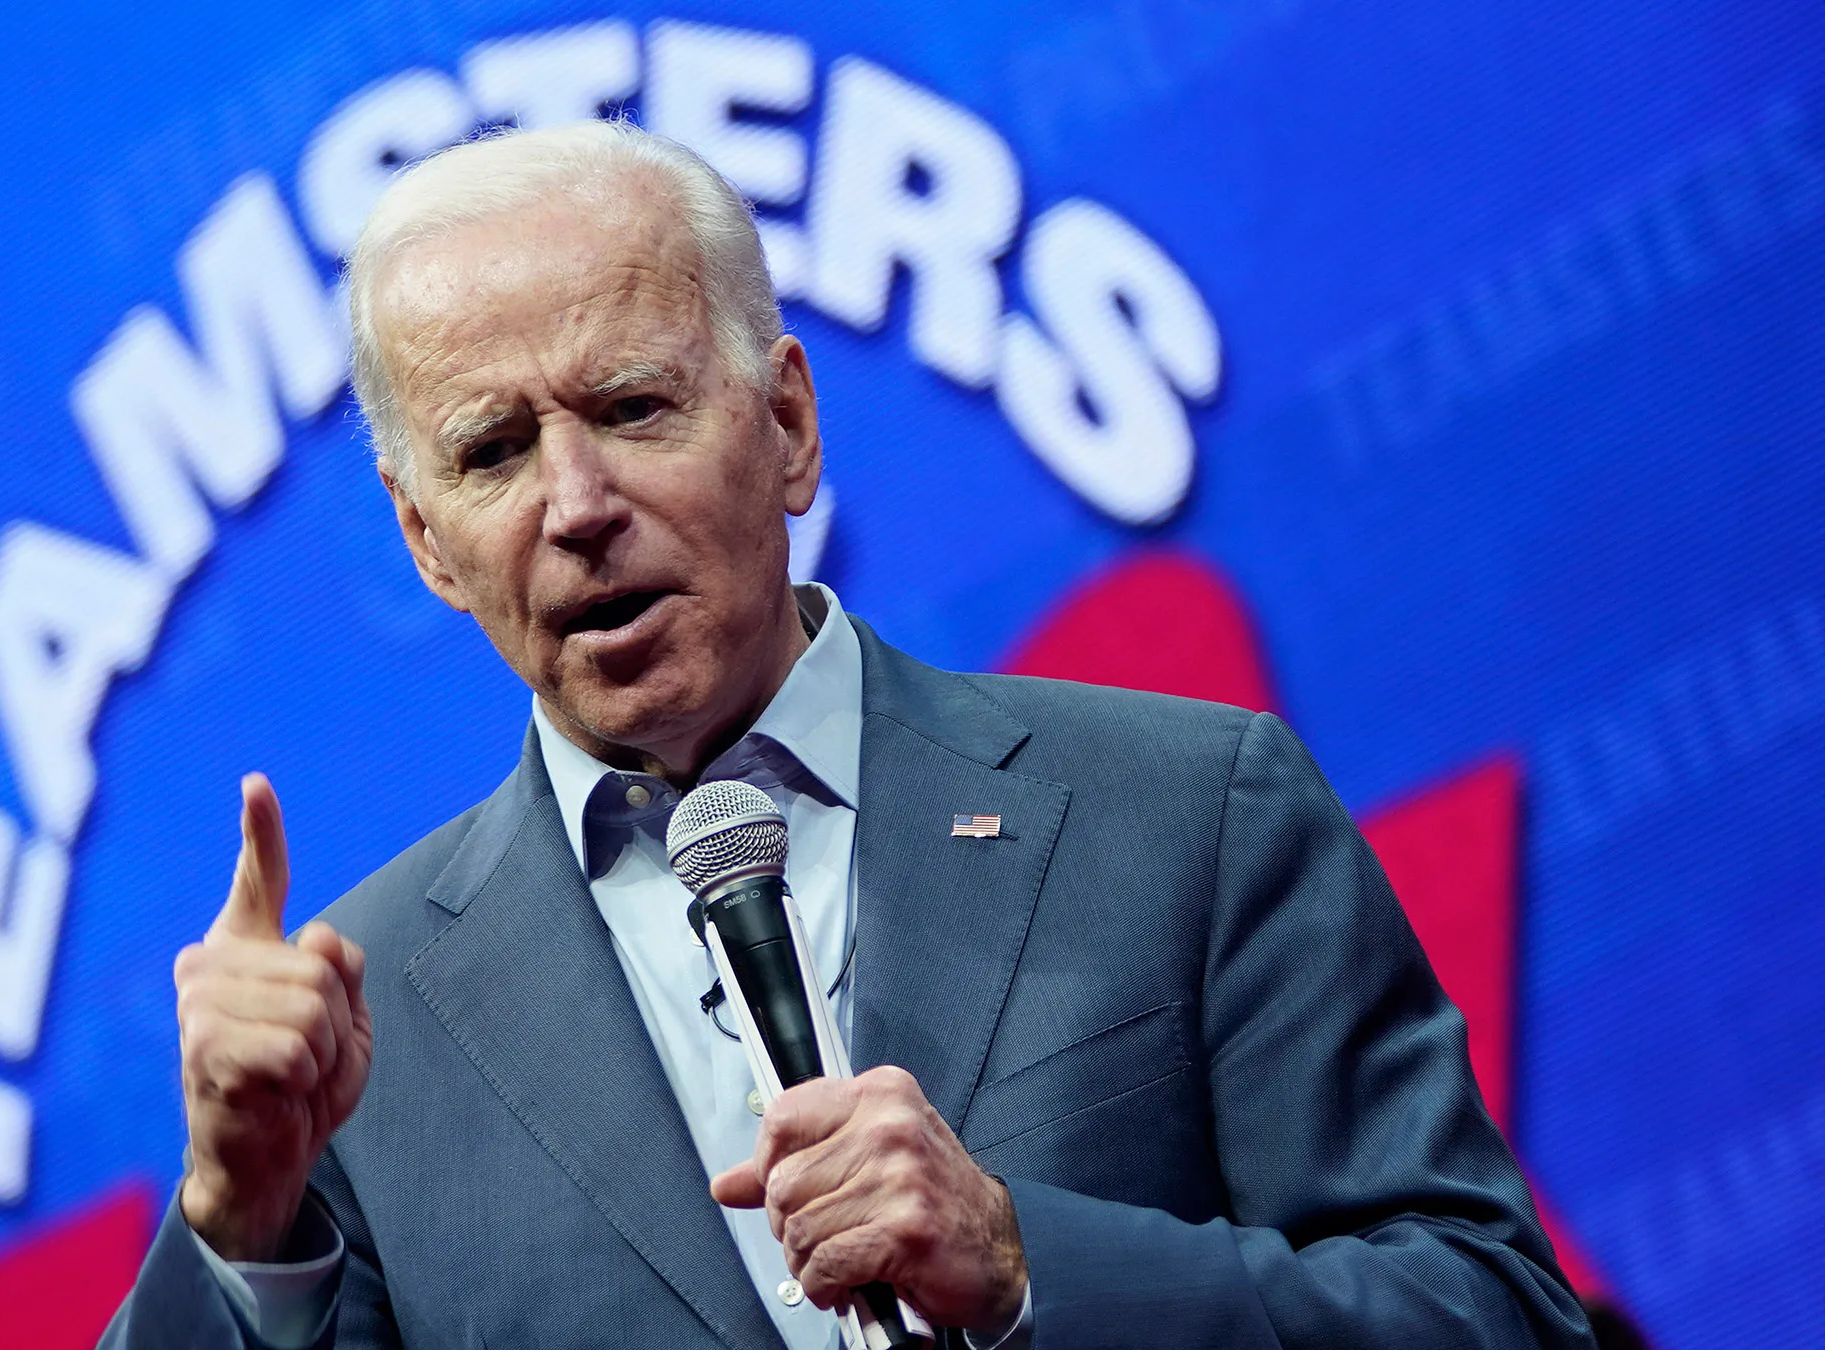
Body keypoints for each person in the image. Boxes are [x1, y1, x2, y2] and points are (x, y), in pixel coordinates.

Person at [100, 121, 1594, 1350]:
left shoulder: (1192, 814)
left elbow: (1495, 1317)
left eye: (630, 406)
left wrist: (1026, 1264)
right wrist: (241, 1230)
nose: (575, 504)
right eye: (492, 453)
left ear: (791, 424)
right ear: (428, 543)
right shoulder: (370, 1048)